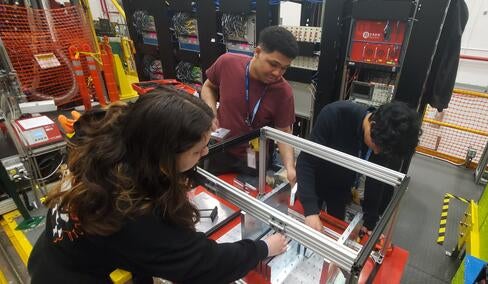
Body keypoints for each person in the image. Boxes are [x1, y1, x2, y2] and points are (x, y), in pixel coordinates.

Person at [28, 90, 288, 283]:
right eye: (198, 151)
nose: (206, 152)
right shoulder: (131, 209)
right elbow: (203, 264)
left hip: (56, 249)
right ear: (164, 156)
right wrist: (263, 248)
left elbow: (138, 249)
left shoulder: (119, 141)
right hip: (65, 276)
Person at [296, 100, 420, 233]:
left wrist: (370, 222)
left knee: (335, 228)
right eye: (376, 146)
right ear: (372, 125)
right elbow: (305, 162)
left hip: (341, 188)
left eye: (382, 150)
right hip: (313, 182)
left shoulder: (385, 139)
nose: (377, 152)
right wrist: (310, 210)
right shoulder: (334, 114)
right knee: (305, 226)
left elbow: (375, 179)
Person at [201, 26, 299, 185]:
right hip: (221, 148)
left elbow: (284, 132)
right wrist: (210, 113)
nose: (277, 73)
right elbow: (208, 87)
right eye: (273, 64)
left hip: (254, 157)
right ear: (258, 51)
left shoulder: (283, 92)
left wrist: (290, 167)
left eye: (284, 68)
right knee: (213, 192)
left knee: (248, 198)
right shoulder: (227, 63)